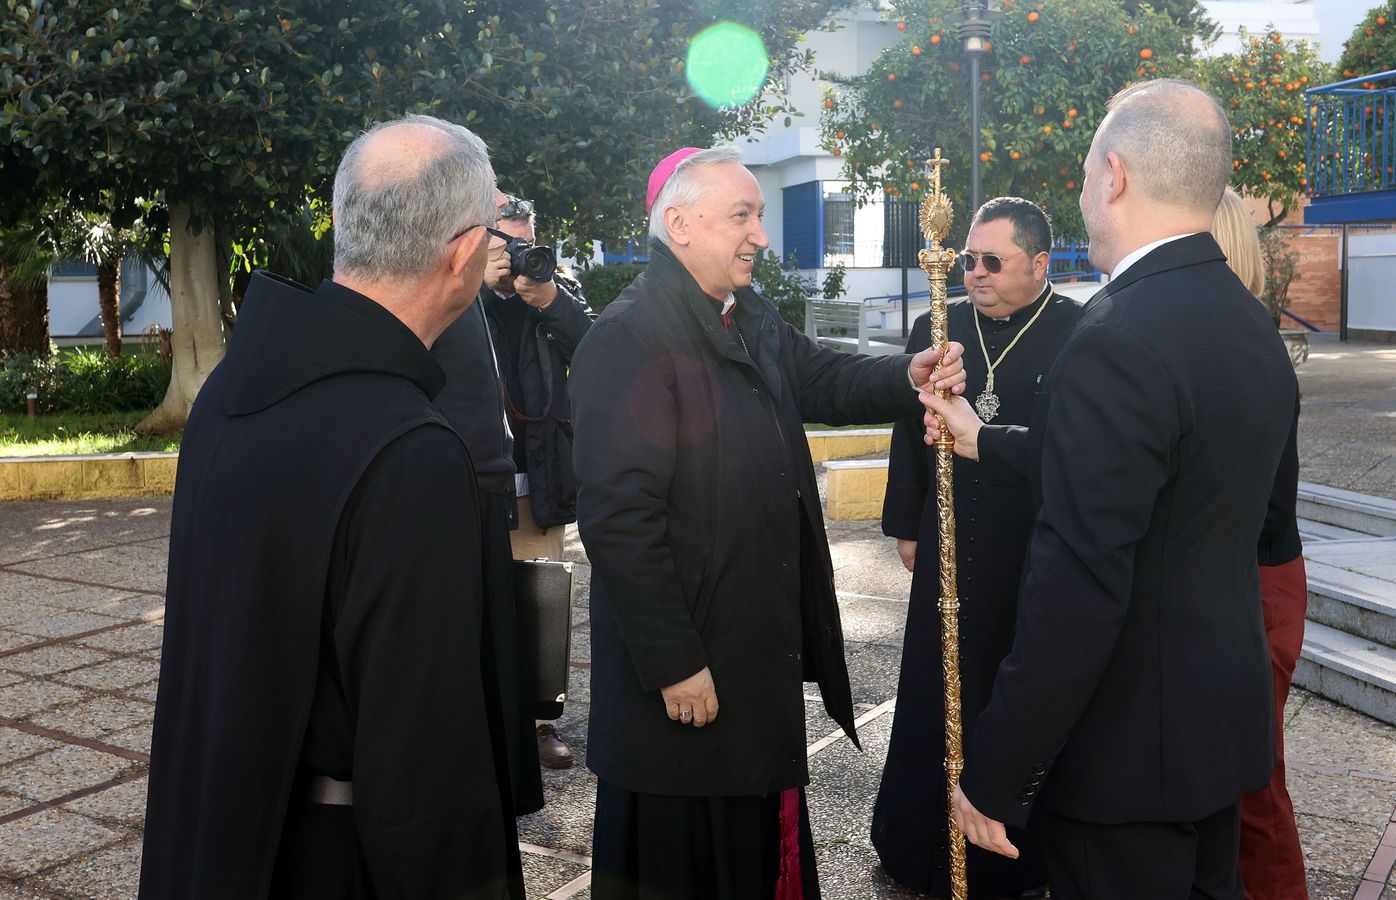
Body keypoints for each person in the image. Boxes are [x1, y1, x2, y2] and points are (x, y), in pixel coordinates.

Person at [921, 80, 1299, 899]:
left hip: (1125, 762)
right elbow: (1163, 481)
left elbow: (1079, 587)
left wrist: (998, 766)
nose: (1084, 194)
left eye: (1088, 174)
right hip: (1216, 735)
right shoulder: (1250, 324)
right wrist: (984, 437)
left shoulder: (1116, 335)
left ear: (1115, 175)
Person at [568, 144, 968, 900]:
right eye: (742, 216)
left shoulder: (743, 313)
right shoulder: (627, 338)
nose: (761, 235)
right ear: (680, 224)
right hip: (692, 663)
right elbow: (620, 521)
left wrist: (905, 374)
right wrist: (673, 660)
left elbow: (818, 374)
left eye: (759, 215)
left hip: (750, 651)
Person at [140, 115, 524, 899]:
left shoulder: (229, 391)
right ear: (463, 256)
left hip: (216, 833)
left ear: (347, 222)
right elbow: (426, 763)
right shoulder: (410, 451)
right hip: (332, 863)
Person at [872, 197, 1081, 899]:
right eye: (969, 259)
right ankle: (915, 845)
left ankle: (1007, 858)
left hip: (1028, 544)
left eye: (994, 260)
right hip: (950, 534)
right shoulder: (940, 324)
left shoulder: (1076, 331)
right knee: (933, 686)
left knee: (1009, 689)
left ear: (1040, 263)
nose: (976, 273)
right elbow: (909, 432)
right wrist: (907, 525)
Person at [1214, 188, 1309, 900]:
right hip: (1248, 573)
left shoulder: (1241, 342)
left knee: (1253, 780)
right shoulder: (1239, 333)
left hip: (1255, 578)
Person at [484, 194, 595, 767]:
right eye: (507, 243)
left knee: (543, 603)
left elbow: (601, 353)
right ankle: (481, 721)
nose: (520, 255)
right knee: (476, 602)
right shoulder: (455, 292)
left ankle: (538, 723)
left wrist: (550, 301)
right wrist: (478, 289)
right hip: (480, 481)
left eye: (527, 243)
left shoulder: (557, 288)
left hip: (542, 479)